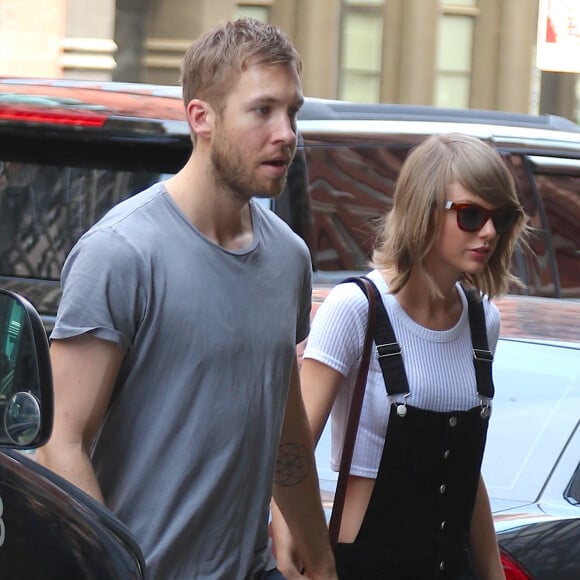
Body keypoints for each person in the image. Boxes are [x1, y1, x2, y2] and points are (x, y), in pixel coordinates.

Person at [36, 18, 337, 580]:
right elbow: (60, 443)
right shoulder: (122, 252)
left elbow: (285, 430)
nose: (286, 132)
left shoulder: (289, 258)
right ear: (202, 117)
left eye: (292, 111)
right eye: (263, 110)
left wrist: (321, 560)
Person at [271, 133, 527, 579]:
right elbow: (290, 451)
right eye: (470, 214)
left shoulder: (483, 320)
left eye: (499, 218)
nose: (488, 231)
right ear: (424, 212)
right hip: (363, 566)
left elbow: (467, 474)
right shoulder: (357, 309)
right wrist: (291, 541)